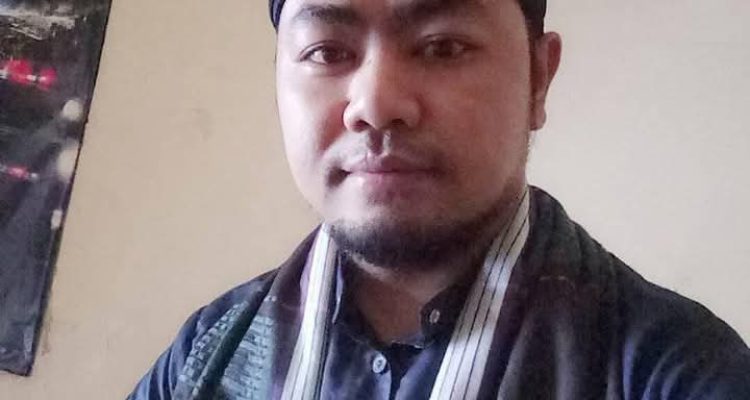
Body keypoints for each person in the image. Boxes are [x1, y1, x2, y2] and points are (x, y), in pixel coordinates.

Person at [129, 0, 750, 398]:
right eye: (327, 52)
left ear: (539, 79)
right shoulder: (206, 353)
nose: (375, 104)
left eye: (443, 46)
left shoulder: (677, 371)